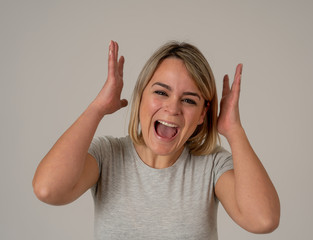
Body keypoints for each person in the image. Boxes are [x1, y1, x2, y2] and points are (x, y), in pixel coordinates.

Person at [33, 40, 280, 239]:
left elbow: (263, 220)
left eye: (189, 100)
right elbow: (48, 190)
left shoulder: (212, 165)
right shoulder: (108, 155)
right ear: (141, 96)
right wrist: (97, 108)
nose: (173, 108)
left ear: (203, 114)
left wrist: (234, 130)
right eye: (161, 92)